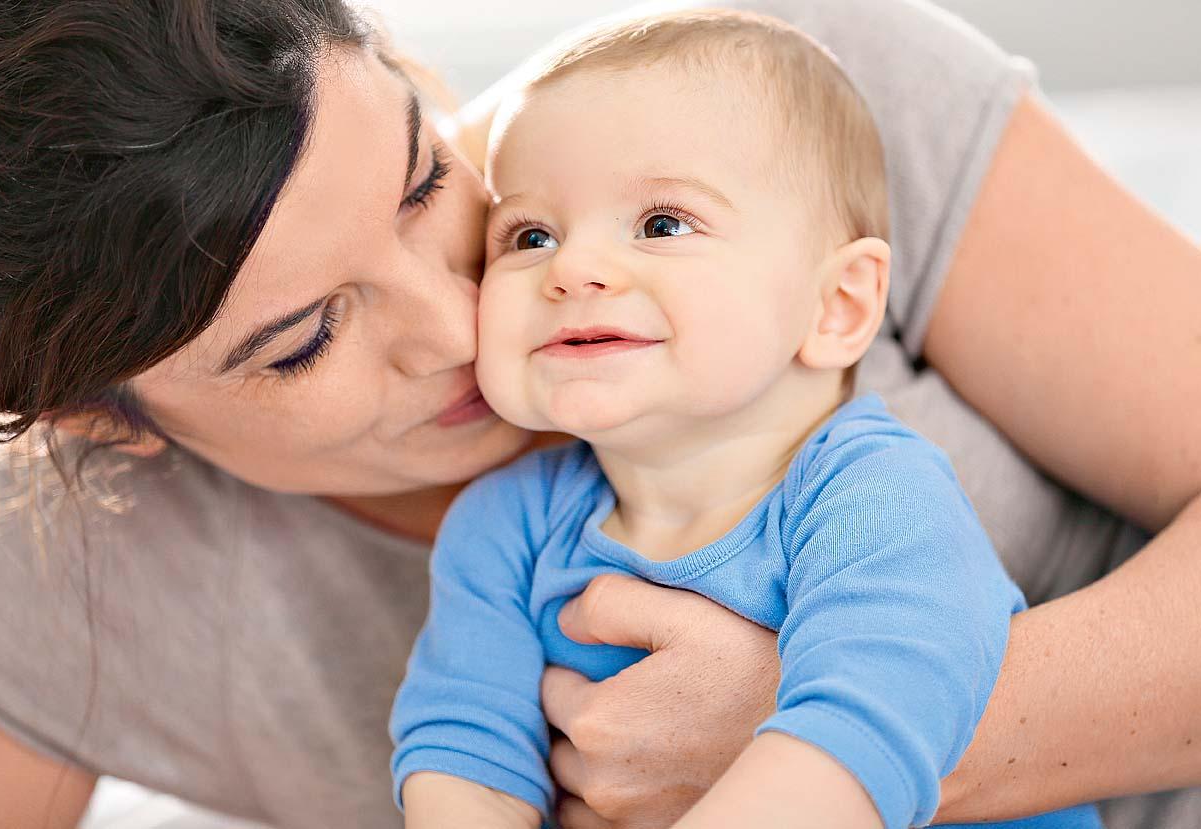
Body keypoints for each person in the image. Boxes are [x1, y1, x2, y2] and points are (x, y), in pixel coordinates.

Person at [0, 0, 1197, 828]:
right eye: (305, 339)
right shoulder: (45, 589)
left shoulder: (791, 107)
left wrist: (788, 735)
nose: (465, 324)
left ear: (408, 69)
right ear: (97, 420)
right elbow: (458, 732)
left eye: (422, 179)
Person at [389, 11, 1099, 829]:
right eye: (530, 235)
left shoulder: (875, 496)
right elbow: (464, 754)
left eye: (662, 224)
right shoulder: (503, 528)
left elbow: (862, 727)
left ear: (837, 305)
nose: (572, 267)